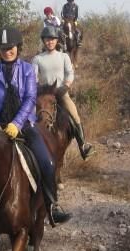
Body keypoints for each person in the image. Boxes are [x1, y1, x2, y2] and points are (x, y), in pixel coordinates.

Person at [0, 27, 71, 226]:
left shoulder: (27, 70)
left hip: (24, 125)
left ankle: (51, 206)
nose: (8, 51)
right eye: (3, 48)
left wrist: (16, 123)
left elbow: (31, 98)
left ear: (18, 48)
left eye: (11, 47)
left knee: (47, 163)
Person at [32, 26, 93, 160]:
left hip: (60, 92)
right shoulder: (37, 59)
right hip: (45, 95)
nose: (50, 42)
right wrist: (37, 87)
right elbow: (33, 77)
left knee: (74, 115)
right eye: (47, 40)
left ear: (57, 40)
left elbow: (70, 73)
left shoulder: (64, 56)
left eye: (52, 39)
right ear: (43, 41)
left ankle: (83, 145)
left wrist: (66, 85)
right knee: (32, 115)